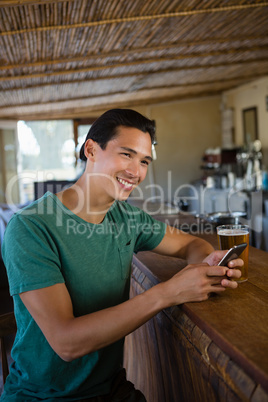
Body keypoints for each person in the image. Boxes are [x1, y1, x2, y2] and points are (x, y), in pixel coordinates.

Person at [1, 109, 242, 401]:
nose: (136, 172)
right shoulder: (31, 227)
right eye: (126, 154)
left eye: (144, 161)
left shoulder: (126, 217)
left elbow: (190, 245)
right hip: (43, 396)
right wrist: (168, 293)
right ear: (91, 149)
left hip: (109, 388)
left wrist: (208, 264)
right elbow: (66, 343)